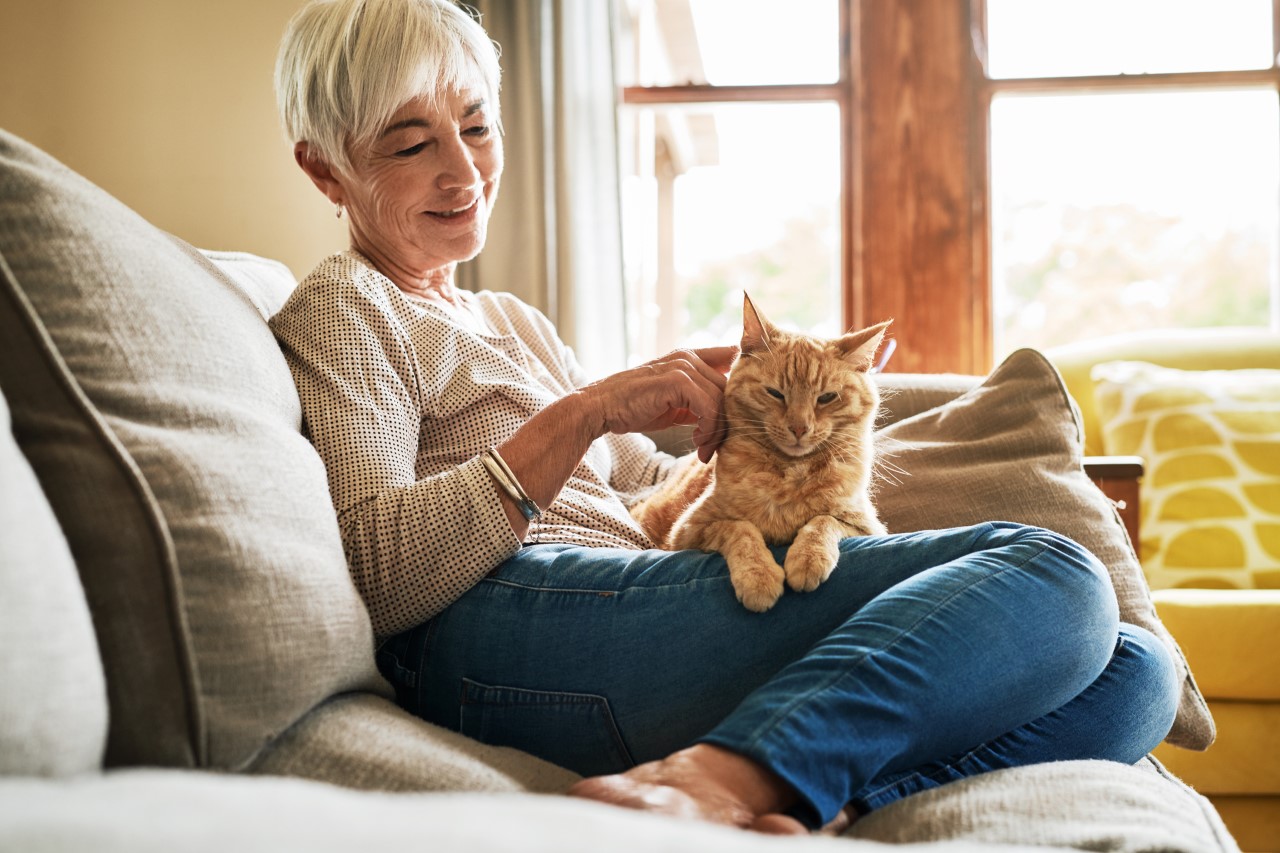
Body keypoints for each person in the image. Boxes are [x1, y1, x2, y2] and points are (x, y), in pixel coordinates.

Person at [269, 0, 1179, 835]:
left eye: (474, 127)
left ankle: (817, 791)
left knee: (1136, 670)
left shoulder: (512, 320)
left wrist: (751, 424)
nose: (463, 170)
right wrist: (585, 412)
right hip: (505, 630)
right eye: (409, 144)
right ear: (326, 168)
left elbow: (648, 491)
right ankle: (724, 777)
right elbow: (378, 574)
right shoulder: (347, 306)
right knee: (1052, 571)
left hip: (636, 603)